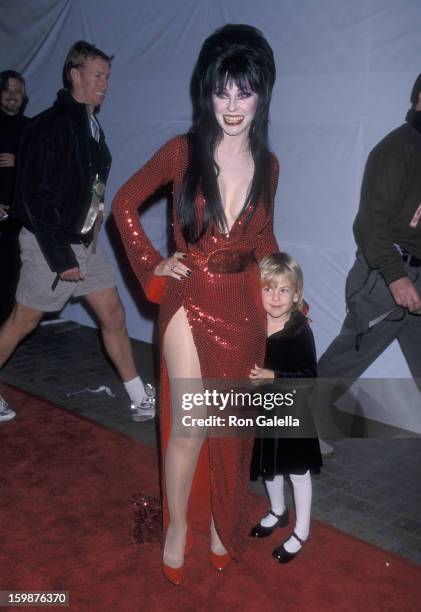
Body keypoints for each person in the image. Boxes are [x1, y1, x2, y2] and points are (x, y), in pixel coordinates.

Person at [112, 24, 278, 584]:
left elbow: (264, 242)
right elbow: (124, 204)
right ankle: (177, 526)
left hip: (243, 305)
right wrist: (150, 262)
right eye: (221, 91)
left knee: (228, 428)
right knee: (190, 426)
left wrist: (287, 300)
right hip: (190, 295)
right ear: (206, 92)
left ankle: (218, 524)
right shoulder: (182, 152)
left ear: (262, 94)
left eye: (244, 92)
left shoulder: (269, 165)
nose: (231, 106)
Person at [0, 42, 155, 424]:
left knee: (113, 314)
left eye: (107, 77)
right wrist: (61, 256)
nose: (105, 84)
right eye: (98, 76)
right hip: (49, 245)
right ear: (76, 75)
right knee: (24, 320)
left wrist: (93, 232)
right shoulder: (49, 125)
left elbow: (91, 190)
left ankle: (138, 396)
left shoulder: (91, 125)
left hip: (81, 245)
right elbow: (33, 198)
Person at [317, 74, 421, 431]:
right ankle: (292, 431)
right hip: (387, 278)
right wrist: (397, 278)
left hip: (414, 277)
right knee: (347, 358)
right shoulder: (398, 148)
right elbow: (369, 223)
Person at [249, 253, 322, 563]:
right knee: (270, 465)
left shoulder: (299, 330)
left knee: (297, 471)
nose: (276, 297)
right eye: (268, 288)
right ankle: (277, 510)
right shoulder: (254, 323)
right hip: (264, 410)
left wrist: (273, 376)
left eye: (283, 290)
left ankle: (302, 529)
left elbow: (310, 378)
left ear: (297, 294)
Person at [0, 70, 30, 422]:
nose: (12, 98)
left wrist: (18, 162)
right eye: (7, 93)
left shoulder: (29, 128)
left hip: (16, 222)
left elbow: (39, 171)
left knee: (12, 291)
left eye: (18, 94)